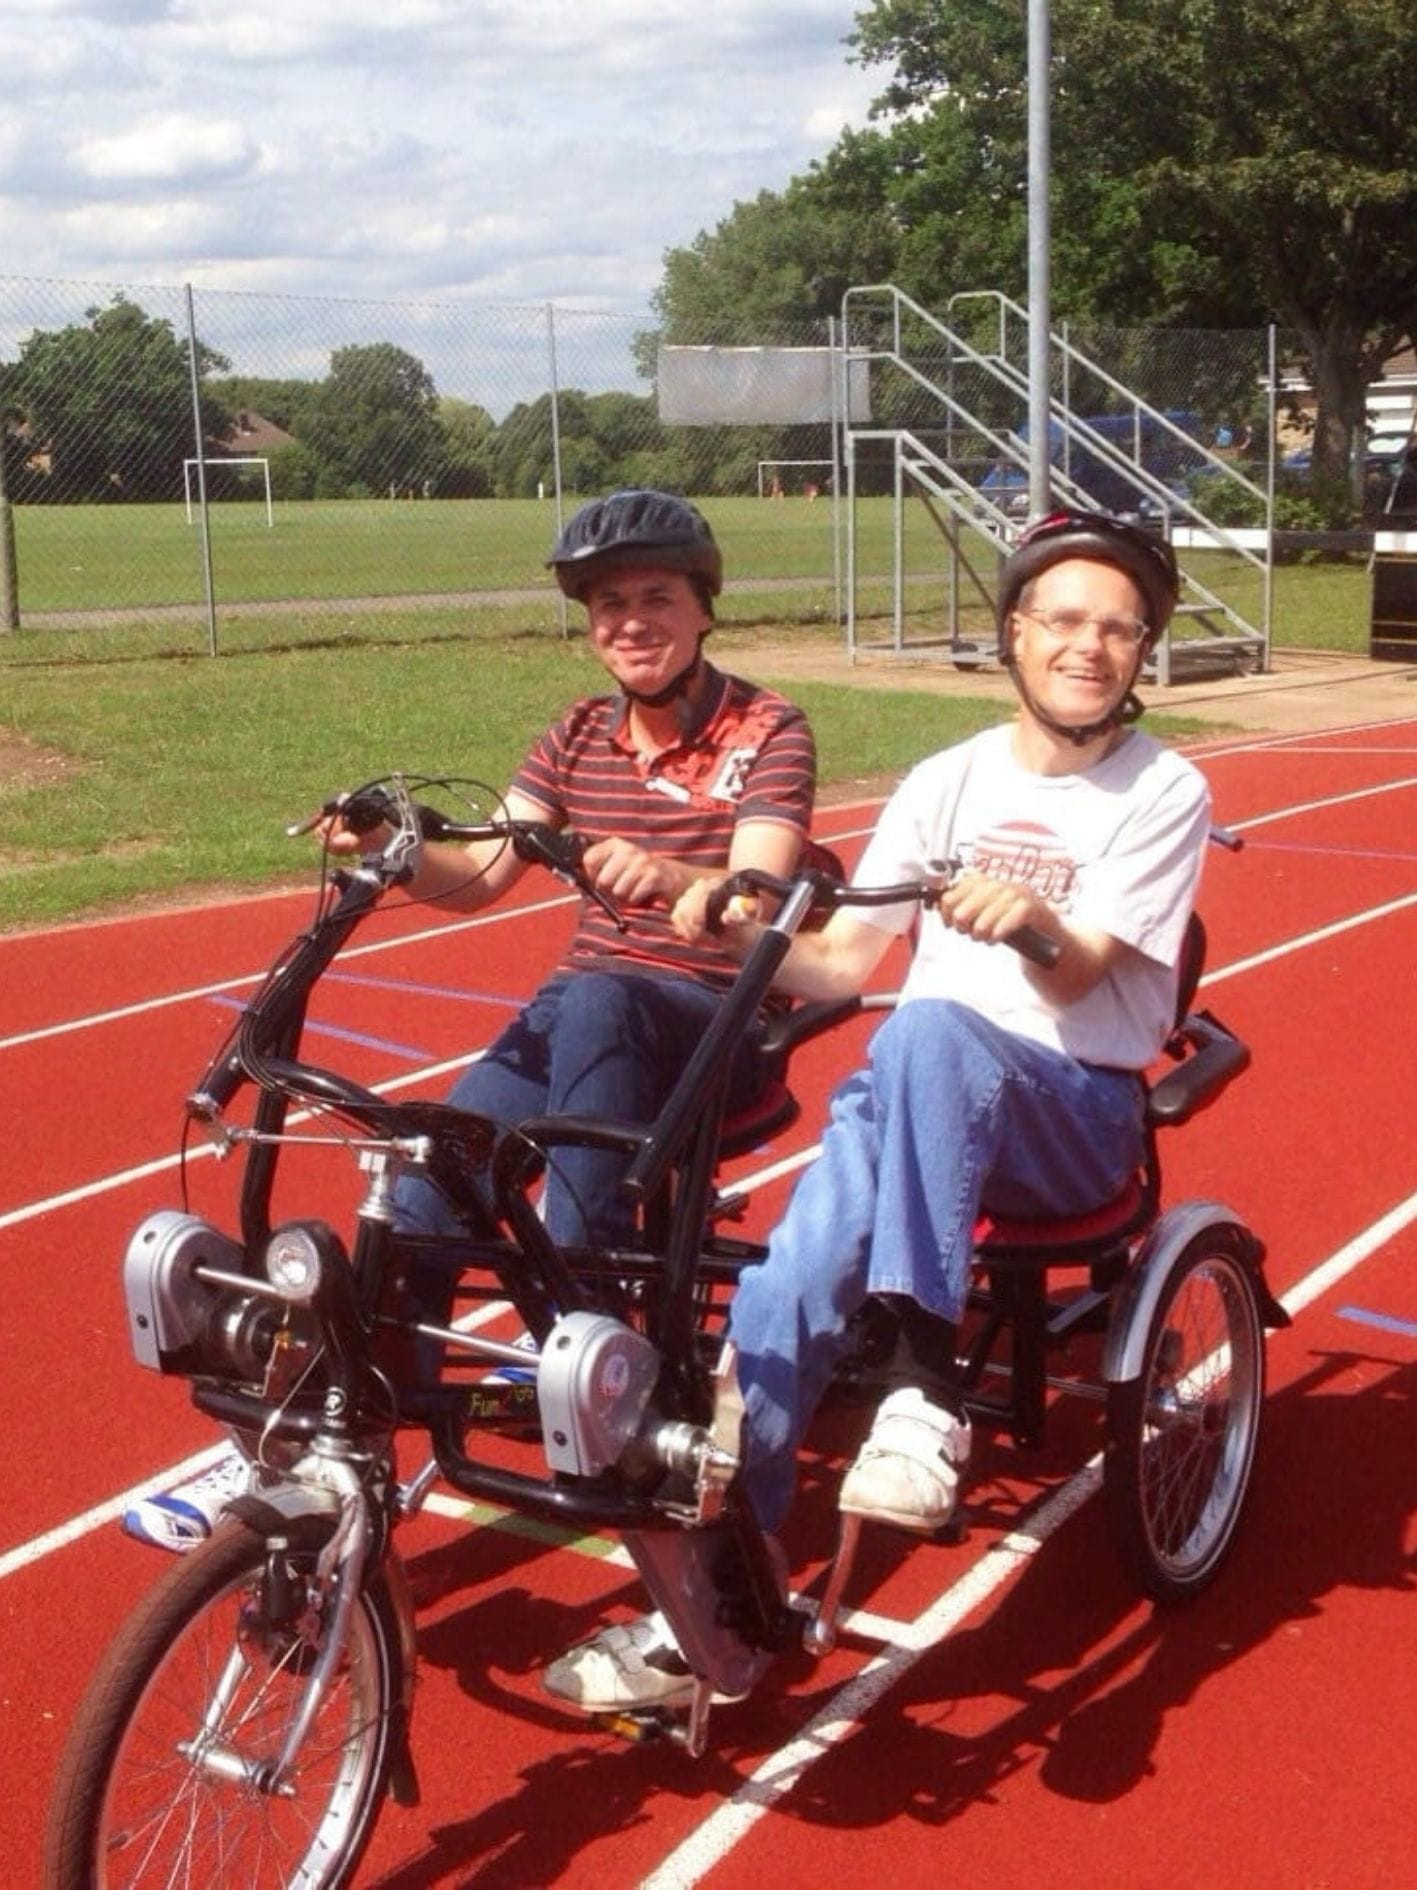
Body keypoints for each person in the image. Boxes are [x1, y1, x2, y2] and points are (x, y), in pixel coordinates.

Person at [543, 508, 1213, 1714]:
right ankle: (716, 1602)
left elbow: (1077, 979)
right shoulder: (945, 780)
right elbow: (842, 965)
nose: (1089, 647)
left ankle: (919, 1379)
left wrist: (1036, 922)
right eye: (1063, 621)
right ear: (1015, 633)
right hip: (916, 1098)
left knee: (931, 1028)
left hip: (1071, 1115)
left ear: (1143, 651)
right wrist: (737, 928)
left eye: (1119, 630)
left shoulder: (1163, 790)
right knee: (779, 1292)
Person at [124, 489, 817, 1553]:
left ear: (702, 606)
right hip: (587, 1018)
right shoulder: (576, 733)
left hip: (713, 1016)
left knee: (595, 999)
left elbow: (761, 892)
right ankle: (324, 1451)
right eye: (609, 605)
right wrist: (389, 848)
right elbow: (484, 874)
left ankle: (585, 1323)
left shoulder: (768, 730)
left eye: (655, 598)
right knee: (421, 1184)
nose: (632, 622)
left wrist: (684, 878)